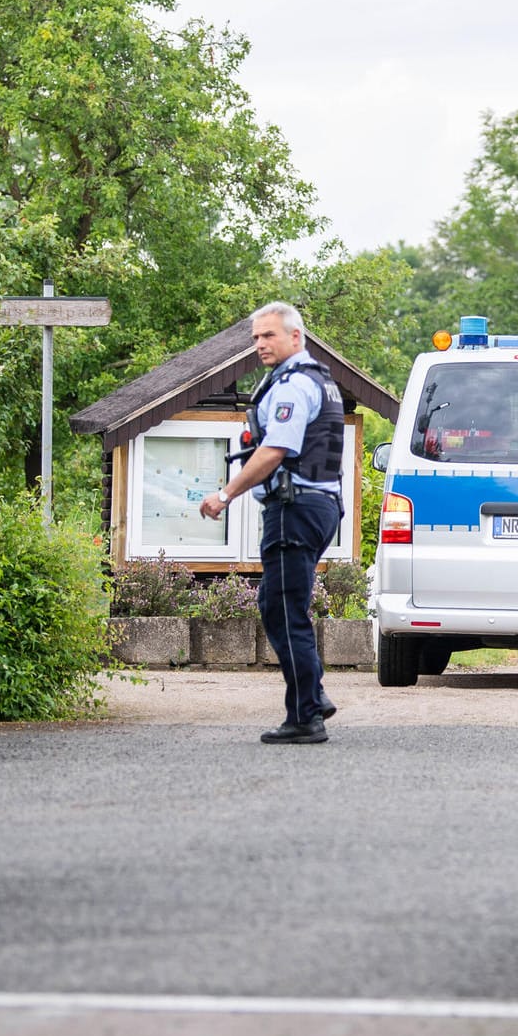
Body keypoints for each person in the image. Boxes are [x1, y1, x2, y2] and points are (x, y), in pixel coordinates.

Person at [199, 302, 345, 744]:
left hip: (295, 508)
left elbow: (274, 450)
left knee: (284, 609)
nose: (260, 344)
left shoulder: (291, 386)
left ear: (295, 337)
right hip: (319, 507)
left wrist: (225, 494)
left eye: (269, 336)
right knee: (278, 604)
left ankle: (305, 716)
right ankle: (313, 695)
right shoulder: (320, 379)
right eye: (256, 338)